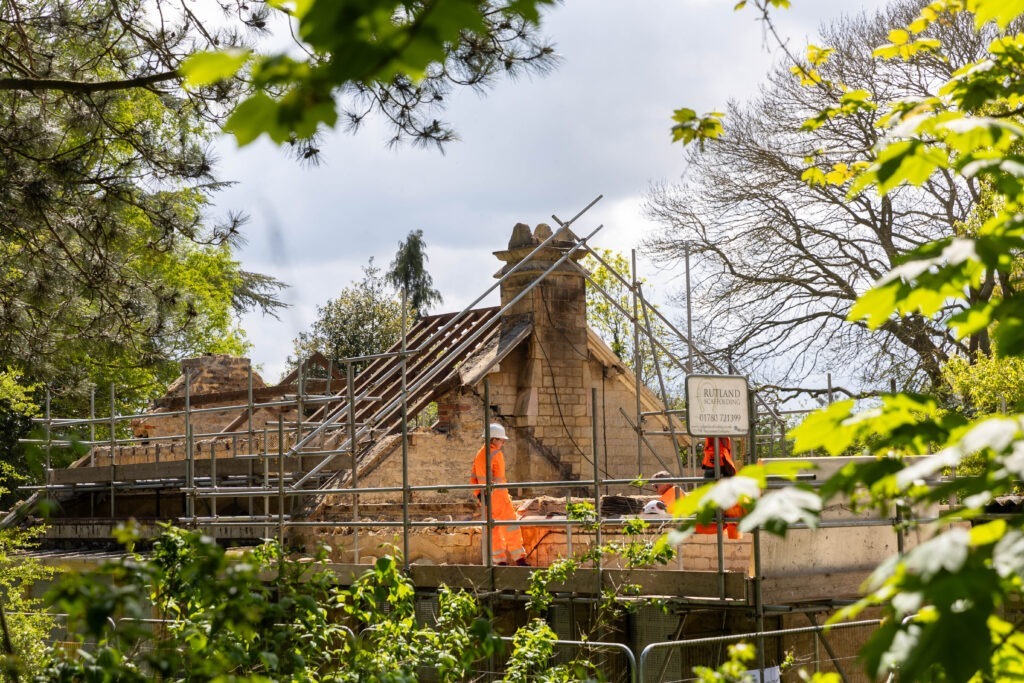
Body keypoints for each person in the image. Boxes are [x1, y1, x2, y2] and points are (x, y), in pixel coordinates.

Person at [469, 423, 528, 566]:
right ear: (494, 439)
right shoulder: (496, 454)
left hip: (485, 497)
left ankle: (500, 561)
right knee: (511, 525)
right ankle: (519, 558)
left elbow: (473, 478)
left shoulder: (480, 454)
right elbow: (500, 478)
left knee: (494, 529)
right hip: (499, 496)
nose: (503, 443)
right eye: (502, 440)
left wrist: (479, 495)